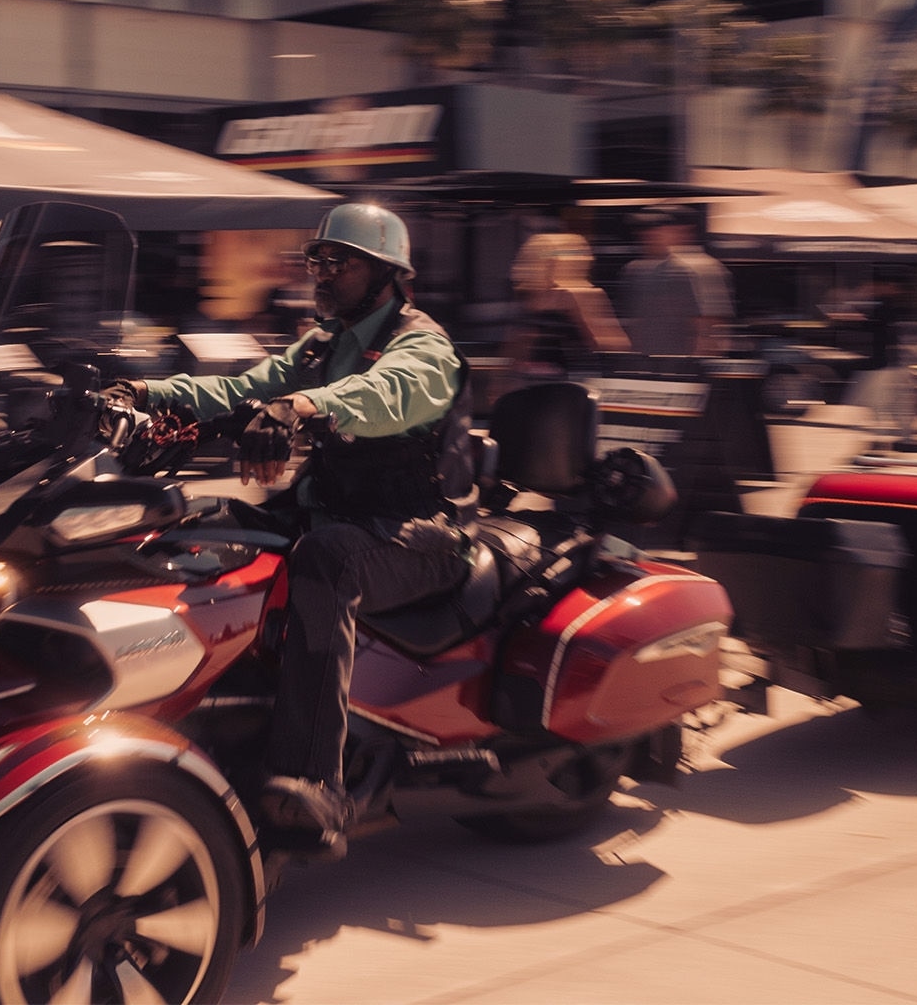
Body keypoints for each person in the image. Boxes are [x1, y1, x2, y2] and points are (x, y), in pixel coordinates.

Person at [107, 203, 474, 858]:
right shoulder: (321, 344)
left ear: (386, 274)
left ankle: (312, 782)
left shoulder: (424, 345)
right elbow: (241, 388)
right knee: (199, 527)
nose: (322, 273)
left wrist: (300, 406)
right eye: (318, 261)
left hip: (416, 534)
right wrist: (143, 393)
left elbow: (387, 395)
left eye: (341, 262)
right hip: (331, 511)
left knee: (325, 562)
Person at [503, 232, 631, 380]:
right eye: (543, 258)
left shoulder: (583, 295)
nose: (547, 264)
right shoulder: (529, 296)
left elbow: (616, 345)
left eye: (553, 259)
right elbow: (515, 346)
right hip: (532, 382)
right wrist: (502, 379)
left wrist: (578, 313)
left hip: (575, 382)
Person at [617, 206, 735, 359]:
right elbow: (635, 326)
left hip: (683, 369)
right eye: (644, 228)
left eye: (660, 228)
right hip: (643, 367)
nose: (648, 234)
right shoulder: (635, 270)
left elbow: (710, 329)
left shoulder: (700, 268)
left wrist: (697, 370)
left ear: (684, 230)